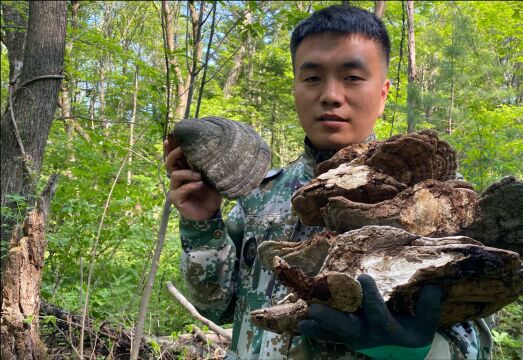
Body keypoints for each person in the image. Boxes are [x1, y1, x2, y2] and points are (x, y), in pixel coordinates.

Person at [165, 5, 492, 360]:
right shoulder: (261, 196)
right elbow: (217, 307)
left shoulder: (438, 199)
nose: (331, 95)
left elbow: (474, 343)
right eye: (312, 78)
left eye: (352, 77)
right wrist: (202, 224)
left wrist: (416, 351)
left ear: (383, 93)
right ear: (295, 89)